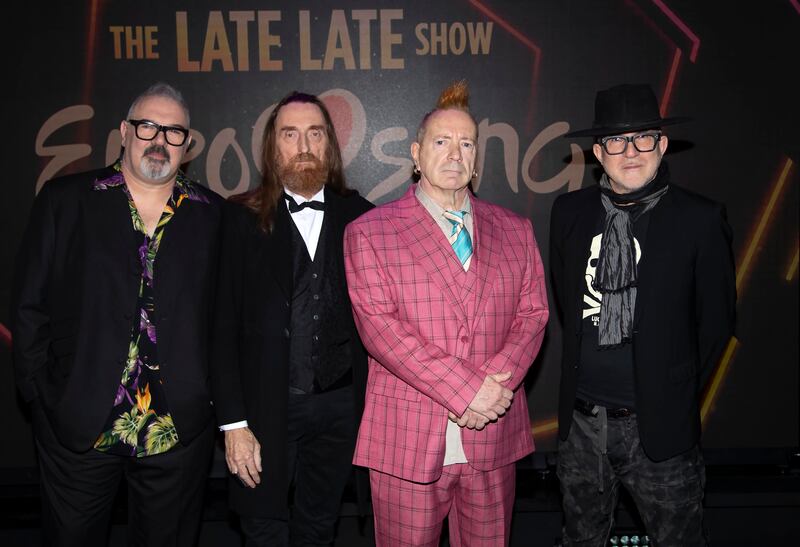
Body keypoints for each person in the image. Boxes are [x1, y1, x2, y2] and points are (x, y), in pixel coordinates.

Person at [10, 82, 222, 546]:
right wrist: (43, 396)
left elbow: (226, 323)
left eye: (173, 131)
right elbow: (28, 307)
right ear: (124, 132)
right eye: (148, 126)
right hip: (78, 429)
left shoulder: (215, 217)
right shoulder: (65, 201)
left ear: (186, 145)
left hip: (178, 434)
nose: (159, 140)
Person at [343, 80, 549, 547]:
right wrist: (469, 390)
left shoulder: (515, 230)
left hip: (493, 436)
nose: (455, 153)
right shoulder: (371, 232)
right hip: (408, 440)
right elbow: (381, 332)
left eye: (467, 143)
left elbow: (533, 316)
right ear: (416, 154)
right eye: (441, 142)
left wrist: (495, 385)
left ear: (477, 159)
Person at [550, 83, 736, 546]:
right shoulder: (568, 213)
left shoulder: (700, 219)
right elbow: (565, 301)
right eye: (616, 140)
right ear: (598, 151)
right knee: (580, 539)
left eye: (643, 138)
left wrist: (671, 395)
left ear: (662, 143)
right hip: (582, 428)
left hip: (661, 433)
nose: (630, 151)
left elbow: (716, 323)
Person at [210, 91, 373, 546]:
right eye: (290, 134)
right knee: (264, 529)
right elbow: (221, 327)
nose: (303, 144)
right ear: (272, 147)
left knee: (320, 527)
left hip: (341, 405)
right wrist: (233, 424)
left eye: (315, 133)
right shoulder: (238, 218)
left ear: (329, 146)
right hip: (265, 408)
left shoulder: (362, 217)